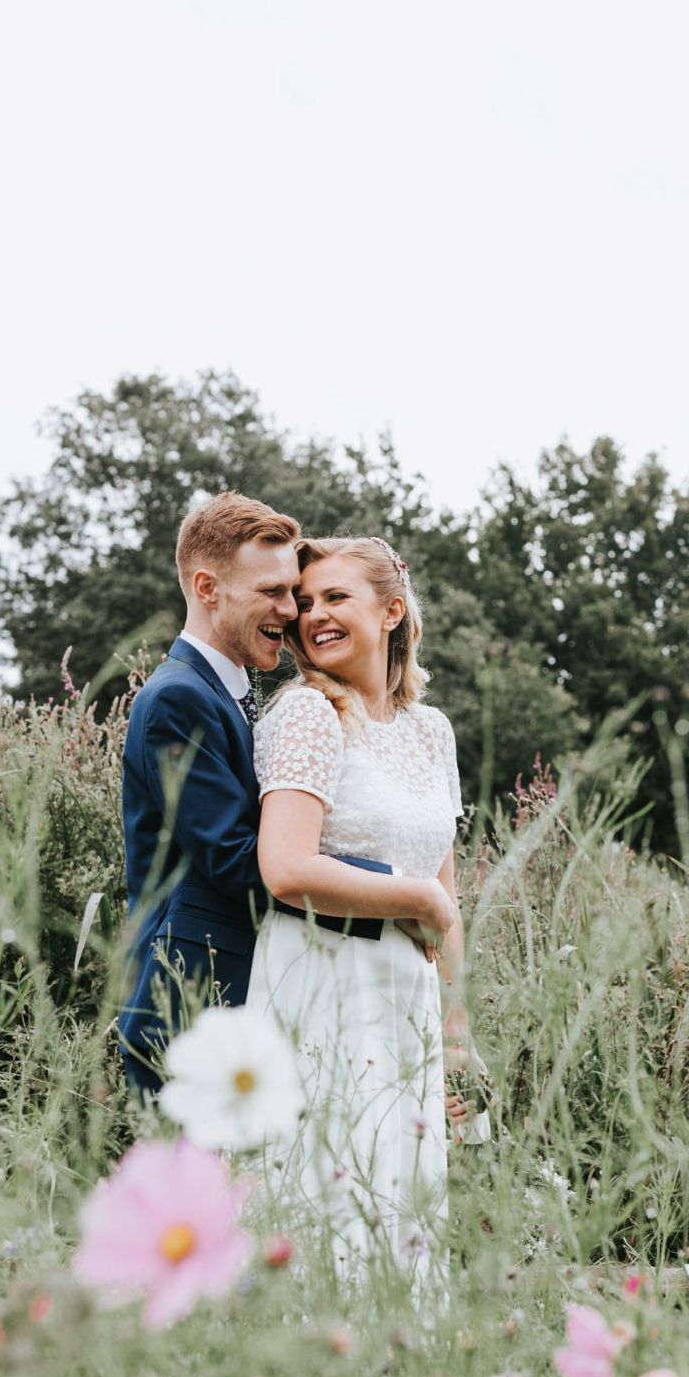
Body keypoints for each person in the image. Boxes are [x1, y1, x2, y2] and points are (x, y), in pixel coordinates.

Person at [118, 493, 453, 1097]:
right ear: (207, 587)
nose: (291, 610)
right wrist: (402, 894)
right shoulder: (177, 699)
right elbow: (244, 861)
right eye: (275, 593)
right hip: (192, 997)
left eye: (293, 592)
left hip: (266, 993)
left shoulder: (237, 692)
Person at [247, 535, 468, 1274]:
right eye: (304, 603)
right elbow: (284, 867)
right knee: (331, 1192)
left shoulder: (430, 732)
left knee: (403, 1200)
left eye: (335, 598)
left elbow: (447, 887)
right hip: (323, 975)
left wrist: (457, 1035)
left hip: (407, 994)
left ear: (392, 609)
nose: (313, 616)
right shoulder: (309, 713)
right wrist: (416, 898)